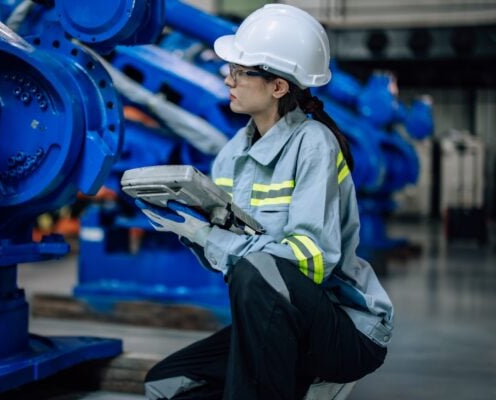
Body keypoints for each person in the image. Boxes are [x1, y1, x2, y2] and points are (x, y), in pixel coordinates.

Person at [136, 4, 393, 399]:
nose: (229, 79)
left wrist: (213, 238)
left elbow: (311, 260)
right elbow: (232, 263)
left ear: (278, 86)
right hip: (276, 318)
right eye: (231, 69)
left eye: (241, 71)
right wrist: (190, 226)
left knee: (257, 268)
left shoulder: (313, 145)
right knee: (167, 384)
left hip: (343, 329)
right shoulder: (233, 154)